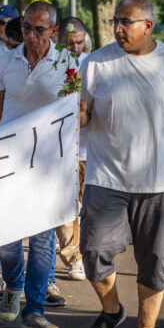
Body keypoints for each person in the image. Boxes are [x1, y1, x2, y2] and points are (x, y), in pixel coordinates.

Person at [79, 0, 164, 328]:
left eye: (126, 22)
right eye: (115, 21)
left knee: (154, 259)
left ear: (147, 26)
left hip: (159, 182)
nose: (118, 28)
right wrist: (81, 117)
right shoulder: (96, 63)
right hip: (106, 178)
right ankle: (111, 311)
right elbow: (82, 118)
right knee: (93, 251)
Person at [0, 1, 72, 328]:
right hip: (7, 161)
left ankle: (33, 309)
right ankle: (13, 285)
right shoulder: (5, 61)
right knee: (6, 238)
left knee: (43, 240)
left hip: (49, 165)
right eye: (27, 28)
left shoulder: (68, 64)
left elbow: (78, 113)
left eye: (39, 29)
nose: (31, 35)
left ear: (54, 32)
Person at [54, 16, 91, 282]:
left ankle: (91, 253)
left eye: (79, 43)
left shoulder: (94, 65)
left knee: (89, 206)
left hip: (91, 147)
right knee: (66, 207)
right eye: (69, 44)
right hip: (60, 149)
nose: (75, 48)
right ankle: (73, 258)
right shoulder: (51, 66)